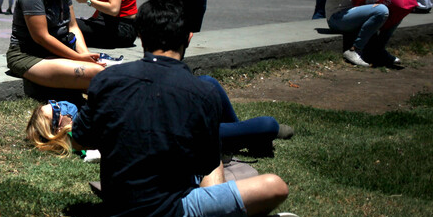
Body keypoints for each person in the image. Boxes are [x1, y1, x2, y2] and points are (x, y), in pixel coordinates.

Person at [71, 0, 301, 217]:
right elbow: (206, 165)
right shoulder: (202, 93)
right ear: (189, 38)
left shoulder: (107, 79)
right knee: (273, 185)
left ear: (140, 37)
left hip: (116, 209)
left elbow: (79, 139)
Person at [26, 78, 293, 157]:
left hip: (165, 113)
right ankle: (246, 137)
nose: (60, 104)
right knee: (268, 124)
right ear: (57, 129)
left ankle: (237, 139)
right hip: (173, 132)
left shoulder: (85, 112)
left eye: (53, 102)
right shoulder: (80, 136)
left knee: (208, 82)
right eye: (56, 110)